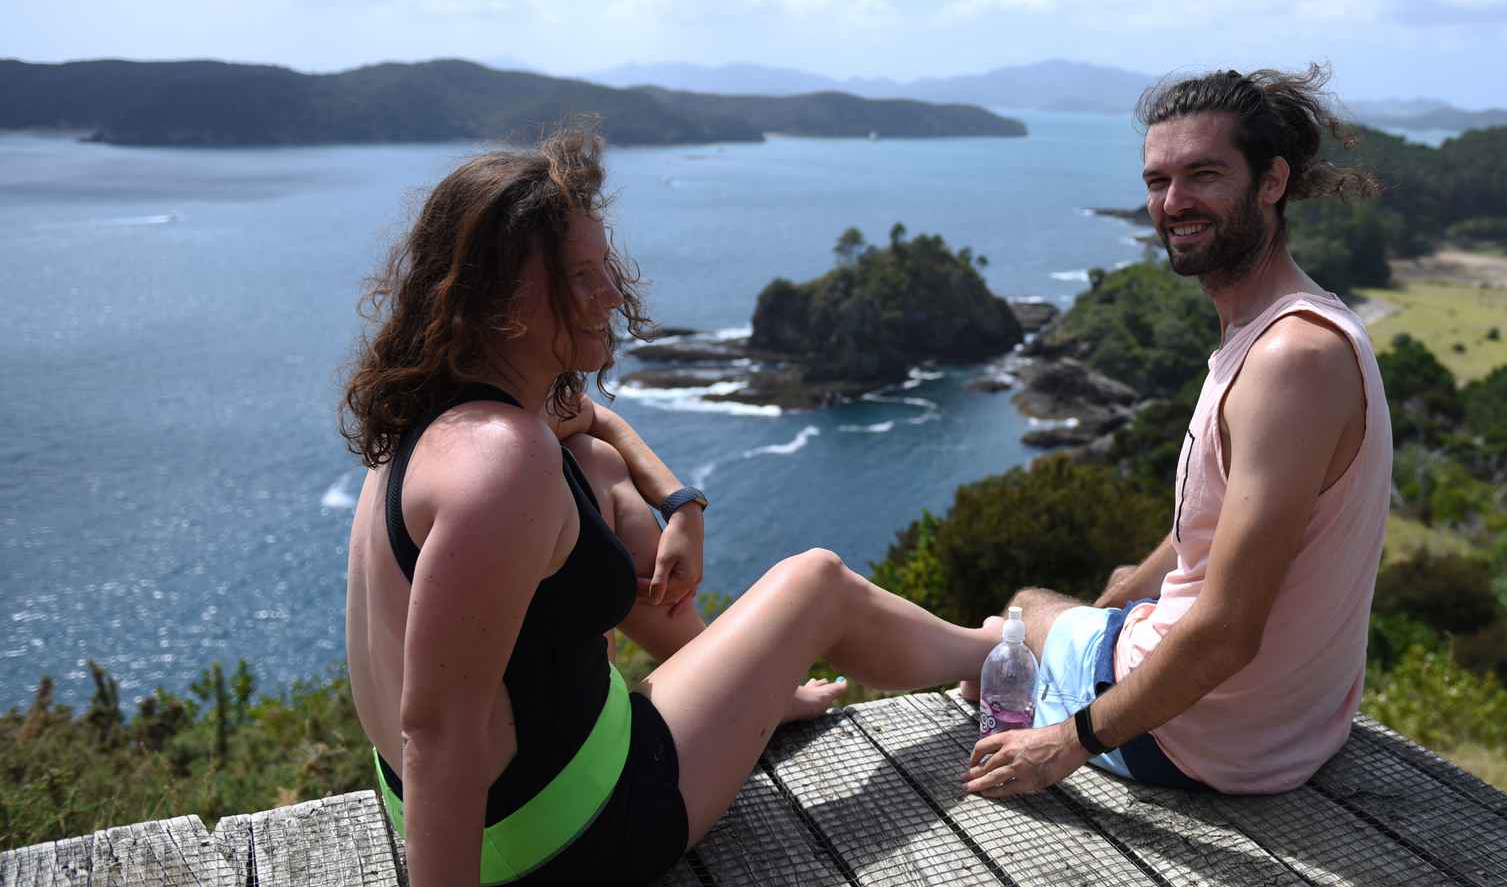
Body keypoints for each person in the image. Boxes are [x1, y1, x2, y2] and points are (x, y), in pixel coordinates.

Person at [341, 127, 1005, 886]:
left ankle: (756, 694)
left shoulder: (444, 416)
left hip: (520, 808)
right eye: (583, 278)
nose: (613, 296)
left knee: (593, 467)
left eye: (605, 269)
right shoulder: (505, 462)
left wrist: (677, 503)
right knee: (816, 582)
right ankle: (995, 652)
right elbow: (439, 731)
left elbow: (592, 425)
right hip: (570, 832)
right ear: (507, 303)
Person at [965, 66, 1392, 798]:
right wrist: (1124, 596)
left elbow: (1226, 631)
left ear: (1271, 182)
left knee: (1021, 611)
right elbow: (1216, 528)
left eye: (1202, 175)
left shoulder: (1290, 358)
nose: (1173, 202)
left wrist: (1065, 744)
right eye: (1157, 180)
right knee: (1086, 609)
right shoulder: (1292, 330)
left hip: (1204, 742)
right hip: (1288, 729)